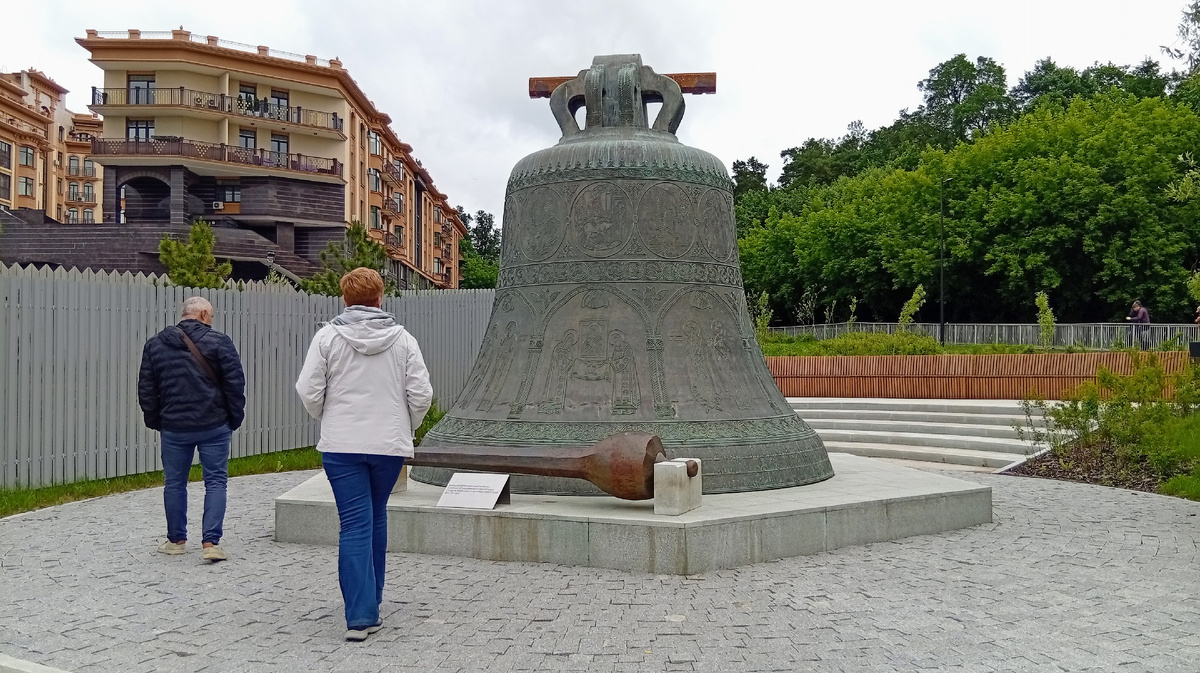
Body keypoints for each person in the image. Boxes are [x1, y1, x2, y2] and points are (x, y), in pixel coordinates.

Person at [295, 268, 432, 642]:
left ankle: (360, 614)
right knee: (375, 515)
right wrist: (406, 426)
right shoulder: (403, 340)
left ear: (344, 298)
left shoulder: (327, 337)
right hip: (387, 445)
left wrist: (329, 416)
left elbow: (308, 389)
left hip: (342, 445)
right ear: (380, 297)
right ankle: (373, 599)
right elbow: (421, 394)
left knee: (354, 522)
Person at [138, 296, 246, 562]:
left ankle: (176, 541)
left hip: (174, 427)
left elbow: (147, 390)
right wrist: (233, 418)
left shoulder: (154, 345)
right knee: (216, 482)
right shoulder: (220, 342)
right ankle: (211, 543)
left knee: (174, 483)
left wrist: (156, 420)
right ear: (203, 314)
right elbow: (235, 385)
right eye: (211, 315)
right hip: (214, 424)